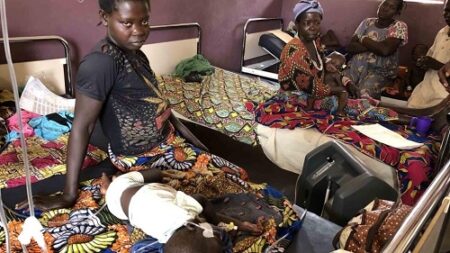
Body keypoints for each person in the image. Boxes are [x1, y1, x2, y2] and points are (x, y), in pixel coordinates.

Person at [17, 0, 246, 211]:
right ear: (105, 17)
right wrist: (68, 194)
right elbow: (82, 126)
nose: (139, 31)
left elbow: (162, 107)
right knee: (221, 195)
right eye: (127, 23)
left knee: (237, 177)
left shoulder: (136, 54)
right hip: (140, 157)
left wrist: (197, 144)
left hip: (167, 144)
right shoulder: (100, 63)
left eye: (144, 21)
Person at [100, 169, 262, 252]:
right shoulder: (165, 239)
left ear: (193, 224)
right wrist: (238, 225)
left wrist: (237, 224)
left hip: (121, 193)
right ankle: (108, 188)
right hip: (121, 200)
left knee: (158, 174)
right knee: (156, 176)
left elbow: (202, 200)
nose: (220, 234)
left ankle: (109, 187)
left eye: (216, 236)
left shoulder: (186, 213)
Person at [278, 0, 347, 116]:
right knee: (348, 106)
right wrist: (339, 90)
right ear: (297, 23)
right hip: (296, 99)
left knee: (351, 100)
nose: (313, 27)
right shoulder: (294, 52)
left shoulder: (315, 41)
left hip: (314, 92)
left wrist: (347, 82)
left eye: (317, 23)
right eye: (307, 23)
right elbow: (311, 87)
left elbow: (322, 63)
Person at [343, 0, 408, 99]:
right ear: (380, 4)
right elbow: (351, 47)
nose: (386, 8)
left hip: (379, 73)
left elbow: (385, 51)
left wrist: (363, 39)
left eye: (392, 7)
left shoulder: (399, 26)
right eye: (385, 4)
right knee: (341, 91)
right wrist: (377, 45)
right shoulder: (367, 22)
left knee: (362, 96)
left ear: (397, 12)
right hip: (354, 67)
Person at [406, 0, 450, 108]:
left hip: (443, 96)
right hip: (425, 91)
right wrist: (424, 62)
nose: (448, 15)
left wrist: (434, 64)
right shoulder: (442, 32)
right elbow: (431, 58)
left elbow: (445, 71)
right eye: (446, 11)